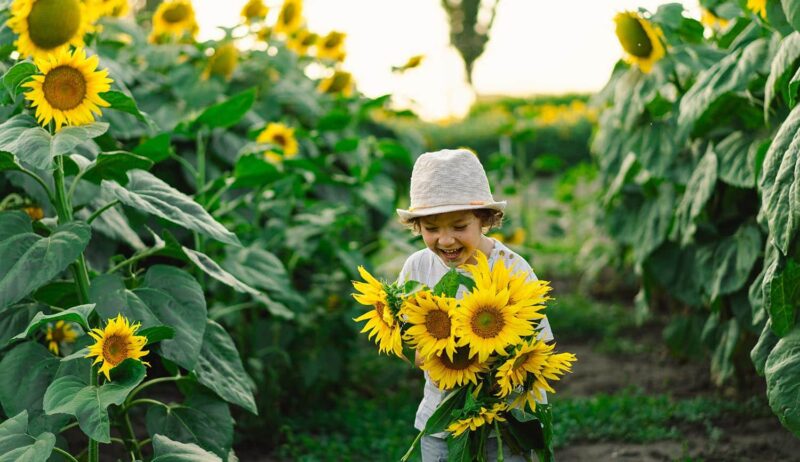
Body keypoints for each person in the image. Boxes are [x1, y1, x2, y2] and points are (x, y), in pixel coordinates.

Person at [396, 148, 554, 462]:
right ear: (418, 227)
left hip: (508, 420)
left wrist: (497, 362)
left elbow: (541, 344)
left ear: (483, 219)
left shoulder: (511, 268)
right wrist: (439, 355)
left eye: (458, 226)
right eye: (431, 229)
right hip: (441, 419)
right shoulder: (417, 269)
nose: (445, 240)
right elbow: (411, 344)